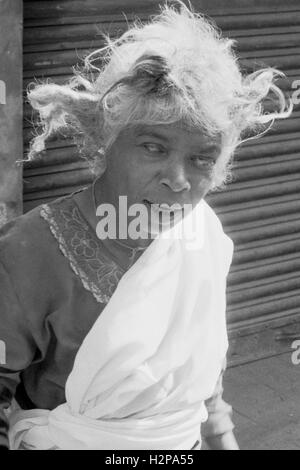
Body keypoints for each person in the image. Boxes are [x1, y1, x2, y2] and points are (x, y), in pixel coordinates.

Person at [0, 1, 291, 450]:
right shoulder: (27, 252)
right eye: (154, 147)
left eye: (201, 158)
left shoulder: (202, 237)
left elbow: (198, 372)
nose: (178, 179)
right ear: (105, 140)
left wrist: (222, 440)